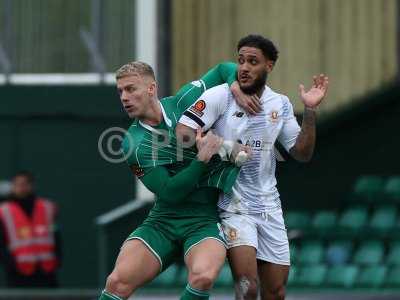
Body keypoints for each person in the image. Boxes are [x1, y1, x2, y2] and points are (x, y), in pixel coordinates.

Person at [177, 34, 329, 300]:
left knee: (276, 292)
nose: (244, 68)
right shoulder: (220, 96)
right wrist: (225, 146)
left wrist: (310, 111)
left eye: (253, 62)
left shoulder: (279, 103)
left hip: (269, 206)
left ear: (269, 66)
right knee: (247, 287)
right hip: (233, 206)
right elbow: (182, 133)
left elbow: (302, 154)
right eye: (241, 61)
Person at [99, 61, 253, 300]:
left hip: (203, 219)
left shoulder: (185, 102)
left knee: (203, 277)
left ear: (151, 89)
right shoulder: (133, 143)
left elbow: (224, 69)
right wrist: (201, 160)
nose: (124, 97)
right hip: (163, 221)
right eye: (120, 91)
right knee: (117, 282)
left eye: (131, 89)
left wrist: (235, 88)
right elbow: (170, 192)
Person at [0, 171, 61, 288]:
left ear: (32, 186)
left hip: (46, 272)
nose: (22, 188)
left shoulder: (47, 207)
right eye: (18, 184)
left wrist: (57, 260)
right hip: (18, 274)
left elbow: (56, 236)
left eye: (25, 184)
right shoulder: (4, 211)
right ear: (13, 187)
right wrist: (10, 265)